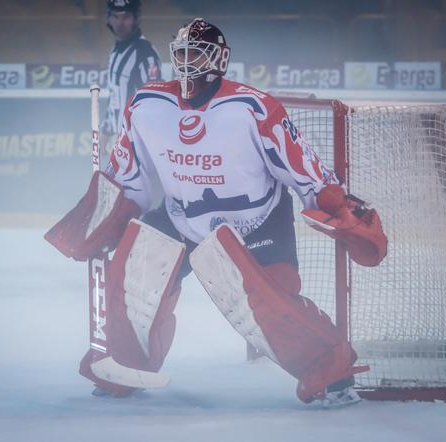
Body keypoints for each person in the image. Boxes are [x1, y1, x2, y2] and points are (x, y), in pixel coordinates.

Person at [46, 18, 387, 408]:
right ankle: (123, 366)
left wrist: (337, 206)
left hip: (257, 223)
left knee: (269, 304)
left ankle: (333, 370)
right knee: (129, 278)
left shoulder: (252, 107)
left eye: (198, 53)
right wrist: (107, 216)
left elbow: (303, 169)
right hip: (181, 217)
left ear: (219, 59)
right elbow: (129, 175)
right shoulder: (146, 104)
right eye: (182, 54)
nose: (188, 63)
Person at [101, 0, 162, 165]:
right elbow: (115, 99)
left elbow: (154, 102)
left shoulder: (145, 51)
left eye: (126, 17)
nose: (120, 23)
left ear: (136, 19)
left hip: (138, 147)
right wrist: (105, 135)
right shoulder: (115, 51)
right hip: (118, 146)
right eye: (116, 16)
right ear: (109, 18)